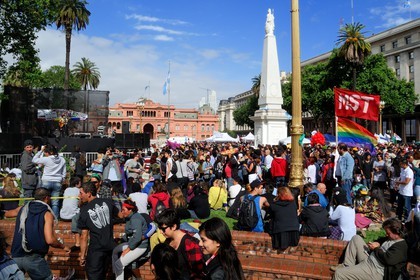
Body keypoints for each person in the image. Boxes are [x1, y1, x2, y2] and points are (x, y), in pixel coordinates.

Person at [11, 188, 71, 279]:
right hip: (34, 257)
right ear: (47, 198)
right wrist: (63, 246)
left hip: (16, 255)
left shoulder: (23, 208)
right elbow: (50, 240)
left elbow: (8, 214)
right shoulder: (47, 214)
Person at [332, 218, 408, 280]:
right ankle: (347, 265)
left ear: (396, 233)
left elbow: (388, 259)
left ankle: (348, 271)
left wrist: (376, 248)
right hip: (369, 260)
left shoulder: (401, 246)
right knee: (356, 238)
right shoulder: (391, 238)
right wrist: (376, 243)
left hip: (374, 271)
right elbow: (381, 240)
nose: (386, 234)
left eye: (388, 233)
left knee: (339, 273)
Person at [78, 182, 122, 279]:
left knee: (94, 276)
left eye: (81, 193)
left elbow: (84, 236)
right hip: (110, 248)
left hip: (96, 250)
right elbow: (121, 215)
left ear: (88, 193)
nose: (79, 196)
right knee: (103, 275)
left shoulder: (84, 211)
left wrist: (82, 256)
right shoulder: (108, 202)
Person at [155, 209, 204, 280]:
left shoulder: (190, 243)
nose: (161, 232)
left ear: (174, 227)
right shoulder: (168, 240)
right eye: (159, 228)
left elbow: (198, 272)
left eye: (163, 229)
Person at [112, 200, 149, 280]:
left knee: (119, 263)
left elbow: (137, 237)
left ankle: (118, 274)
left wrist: (128, 249)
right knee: (115, 251)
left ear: (130, 210)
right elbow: (129, 234)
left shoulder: (135, 219)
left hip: (140, 246)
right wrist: (121, 240)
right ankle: (116, 274)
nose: (121, 212)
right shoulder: (129, 217)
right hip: (132, 243)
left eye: (123, 210)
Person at [32, 144, 66, 218]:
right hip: (57, 181)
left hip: (46, 181)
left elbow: (34, 160)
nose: (45, 154)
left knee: (43, 200)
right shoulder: (62, 159)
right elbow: (64, 173)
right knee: (55, 203)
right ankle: (55, 218)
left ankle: (43, 217)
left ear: (49, 152)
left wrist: (40, 150)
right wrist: (61, 180)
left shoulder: (46, 159)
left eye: (45, 152)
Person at [269, 187, 300, 253]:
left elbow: (271, 216)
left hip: (280, 232)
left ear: (278, 194)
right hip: (294, 231)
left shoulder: (274, 205)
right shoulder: (293, 203)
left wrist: (275, 200)